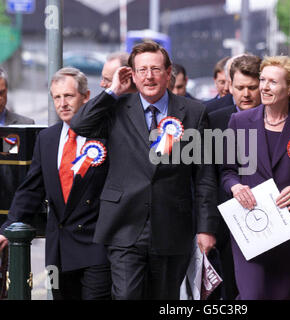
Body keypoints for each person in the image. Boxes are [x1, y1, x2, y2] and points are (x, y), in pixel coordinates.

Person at [70, 40, 218, 300]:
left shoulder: (193, 112)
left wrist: (206, 227)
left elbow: (204, 175)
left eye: (156, 69)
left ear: (169, 72)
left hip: (172, 226)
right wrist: (113, 90)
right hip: (124, 225)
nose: (149, 76)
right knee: (127, 295)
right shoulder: (115, 107)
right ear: (132, 75)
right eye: (142, 70)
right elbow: (80, 125)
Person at [0, 67, 112, 300]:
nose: (62, 103)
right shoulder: (47, 139)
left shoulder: (105, 136)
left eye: (69, 96)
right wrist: (8, 227)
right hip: (59, 249)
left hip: (96, 247)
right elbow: (32, 189)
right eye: (57, 97)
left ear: (86, 96)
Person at [221, 56, 290, 299]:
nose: (264, 87)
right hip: (250, 226)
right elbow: (227, 171)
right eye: (263, 80)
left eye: (272, 82)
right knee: (252, 295)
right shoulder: (239, 121)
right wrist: (235, 187)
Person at [208, 54, 262, 300]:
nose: (246, 94)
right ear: (229, 86)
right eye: (240, 88)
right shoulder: (214, 119)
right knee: (232, 291)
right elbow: (206, 174)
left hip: (271, 216)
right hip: (227, 221)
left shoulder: (276, 119)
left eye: (252, 87)